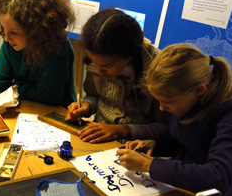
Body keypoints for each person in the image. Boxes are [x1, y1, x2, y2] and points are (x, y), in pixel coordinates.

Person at [116, 44, 232, 196]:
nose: (161, 108)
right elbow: (185, 141)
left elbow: (219, 177)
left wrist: (148, 164)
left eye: (167, 102)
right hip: (176, 190)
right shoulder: (188, 100)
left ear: (198, 90)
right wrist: (153, 144)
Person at [65, 8, 167, 143]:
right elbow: (93, 96)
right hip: (101, 142)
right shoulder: (97, 59)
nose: (99, 71)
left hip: (138, 150)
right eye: (94, 63)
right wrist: (86, 106)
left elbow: (165, 128)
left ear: (129, 55)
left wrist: (122, 130)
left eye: (107, 66)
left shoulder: (158, 70)